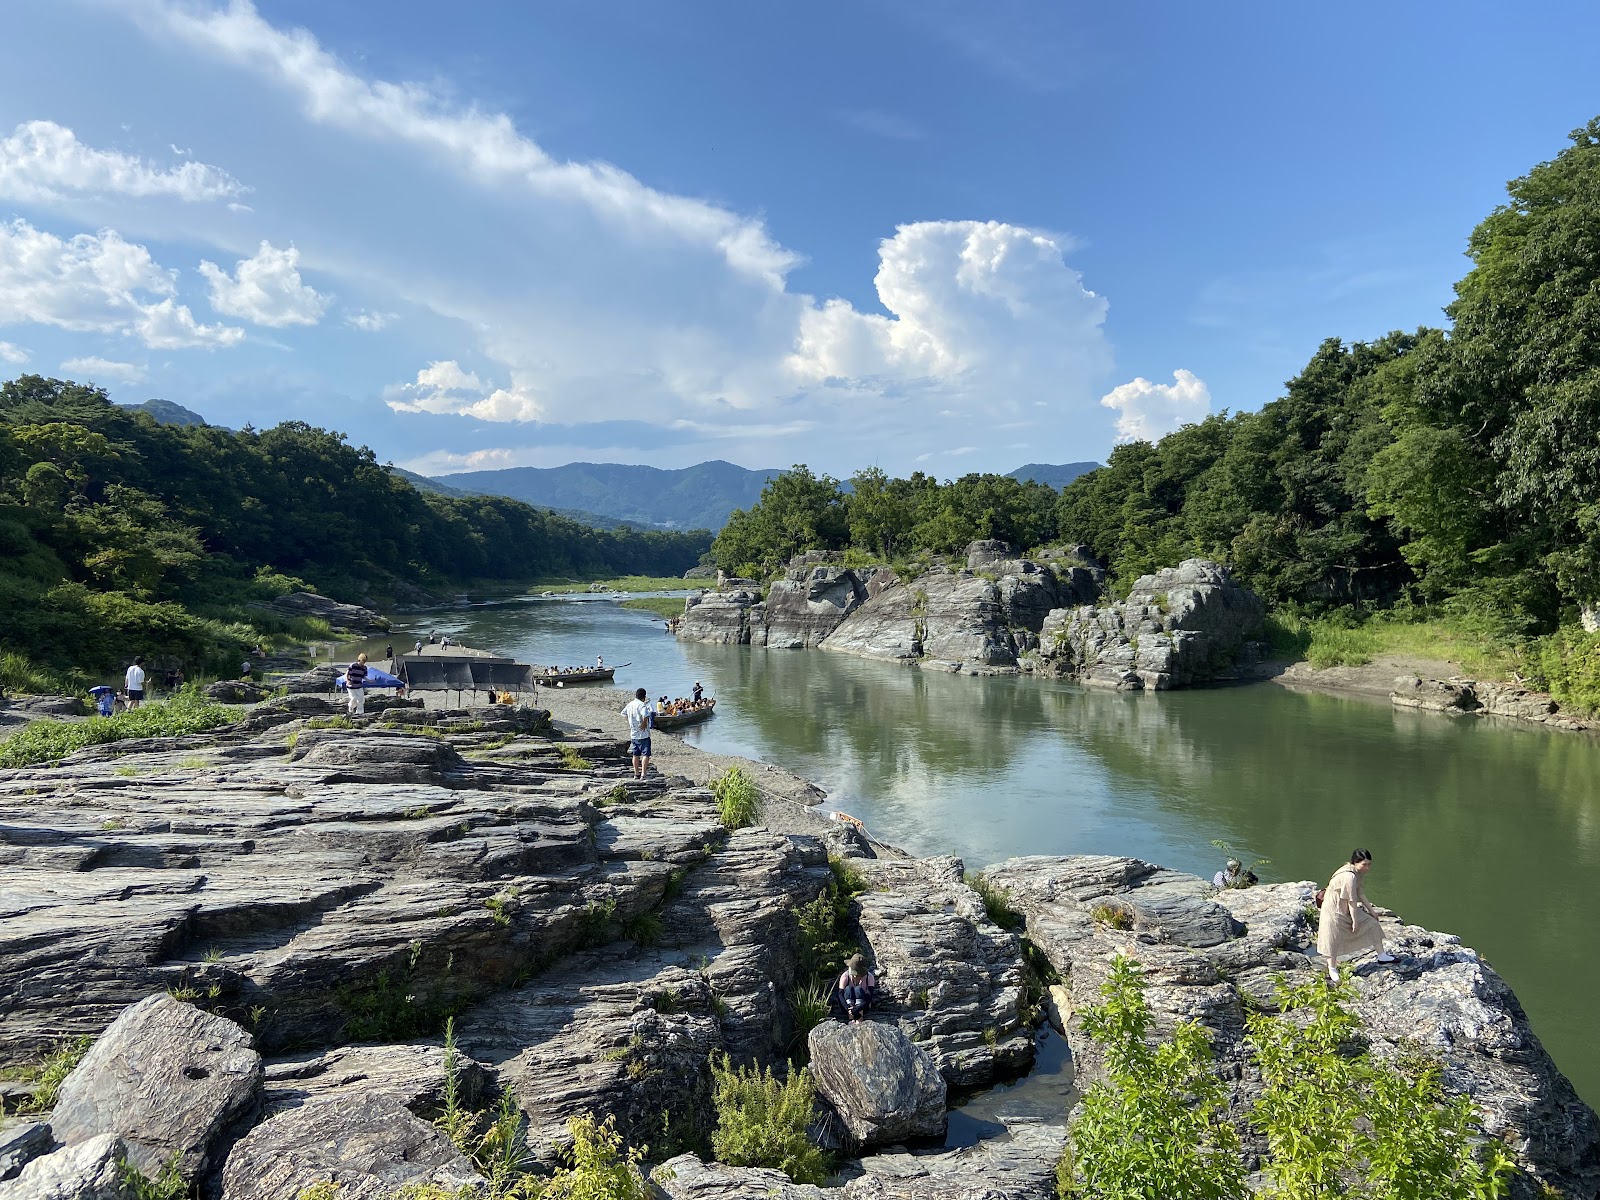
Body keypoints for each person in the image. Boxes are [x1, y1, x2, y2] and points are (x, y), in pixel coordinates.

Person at [1317, 848, 1398, 981]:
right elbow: (1352, 901)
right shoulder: (1349, 875)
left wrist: (1372, 911)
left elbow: (1360, 893)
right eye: (1364, 864)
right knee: (1332, 938)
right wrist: (1355, 920)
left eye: (1369, 864)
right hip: (1333, 909)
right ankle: (1332, 969)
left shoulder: (1357, 873)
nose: (1367, 868)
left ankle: (1382, 955)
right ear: (1355, 862)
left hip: (1345, 907)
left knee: (1372, 923)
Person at [622, 686, 654, 779]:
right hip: (643, 734)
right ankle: (643, 774)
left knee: (635, 754)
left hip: (634, 733)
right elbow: (646, 715)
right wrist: (644, 723)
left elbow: (623, 713)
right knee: (645, 754)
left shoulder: (630, 704)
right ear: (644, 697)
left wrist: (629, 721)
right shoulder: (641, 705)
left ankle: (636, 773)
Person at [837, 953, 878, 1022]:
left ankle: (859, 1019)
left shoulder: (869, 977)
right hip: (847, 1006)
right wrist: (848, 1008)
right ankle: (851, 1018)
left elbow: (869, 997)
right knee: (848, 989)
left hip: (863, 1006)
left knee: (858, 989)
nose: (855, 976)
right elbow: (840, 994)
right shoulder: (845, 976)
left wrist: (858, 1009)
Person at [344, 652, 370, 716]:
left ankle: (360, 712)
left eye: (365, 661)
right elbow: (347, 674)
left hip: (359, 685)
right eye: (363, 660)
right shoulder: (353, 665)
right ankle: (351, 709)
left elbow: (363, 676)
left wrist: (369, 681)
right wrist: (347, 680)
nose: (363, 662)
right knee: (353, 698)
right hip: (351, 685)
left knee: (361, 699)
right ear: (360, 659)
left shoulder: (364, 668)